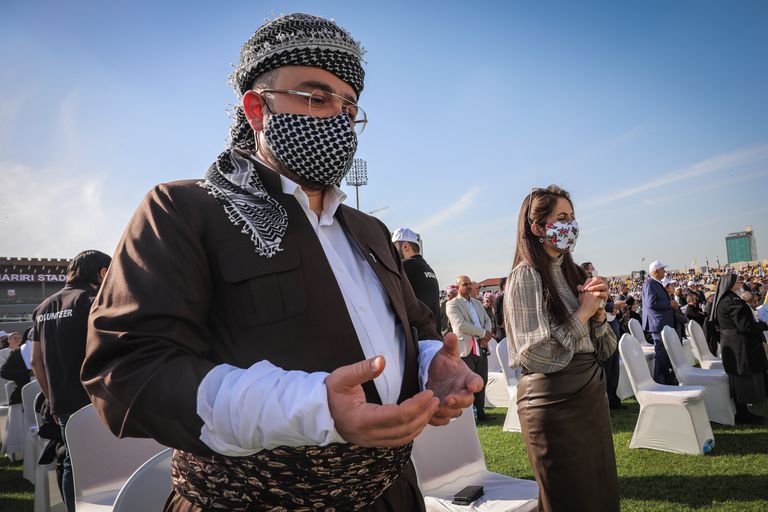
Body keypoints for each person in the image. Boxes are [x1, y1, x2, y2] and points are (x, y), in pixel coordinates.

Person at [81, 13, 481, 512]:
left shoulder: (369, 231)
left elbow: (414, 324)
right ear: (256, 109)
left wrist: (430, 363)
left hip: (391, 494)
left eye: (348, 106)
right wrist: (314, 406)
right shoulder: (184, 211)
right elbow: (129, 370)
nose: (336, 118)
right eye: (316, 97)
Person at [504, 185, 619, 512]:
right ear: (538, 227)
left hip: (589, 395)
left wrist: (599, 314)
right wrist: (582, 313)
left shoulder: (575, 273)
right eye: (562, 218)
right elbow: (535, 354)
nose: (571, 225)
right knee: (569, 498)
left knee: (599, 494)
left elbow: (606, 349)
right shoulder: (526, 276)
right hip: (552, 402)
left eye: (572, 217)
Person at [29, 250, 111, 512]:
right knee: (104, 463)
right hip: (96, 400)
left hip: (62, 403)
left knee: (71, 461)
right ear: (102, 272)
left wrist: (52, 399)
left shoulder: (43, 307)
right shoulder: (94, 300)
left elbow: (35, 361)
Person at [712, 273, 768, 424]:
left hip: (736, 342)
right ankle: (742, 414)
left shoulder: (730, 299)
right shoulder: (730, 301)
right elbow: (745, 326)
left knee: (740, 377)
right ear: (730, 284)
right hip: (738, 345)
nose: (741, 283)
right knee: (740, 379)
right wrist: (762, 325)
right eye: (738, 281)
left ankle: (743, 412)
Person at [446, 275, 493, 421]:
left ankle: (481, 412)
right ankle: (470, 416)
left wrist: (486, 337)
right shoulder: (452, 304)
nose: (468, 287)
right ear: (457, 287)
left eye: (469, 284)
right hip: (465, 348)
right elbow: (461, 325)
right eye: (464, 284)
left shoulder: (477, 303)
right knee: (467, 383)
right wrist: (483, 333)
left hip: (481, 346)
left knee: (482, 380)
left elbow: (487, 320)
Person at [392, 227, 441, 329]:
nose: (392, 251)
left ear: (405, 246)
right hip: (433, 333)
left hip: (418, 334)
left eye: (394, 246)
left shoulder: (404, 266)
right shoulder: (428, 268)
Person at [642, 260, 678, 385]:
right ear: (656, 271)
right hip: (658, 324)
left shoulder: (655, 283)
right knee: (661, 353)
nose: (664, 271)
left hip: (662, 323)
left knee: (663, 354)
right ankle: (661, 380)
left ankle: (664, 379)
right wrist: (669, 304)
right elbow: (651, 304)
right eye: (662, 269)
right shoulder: (650, 283)